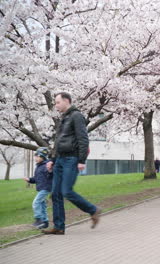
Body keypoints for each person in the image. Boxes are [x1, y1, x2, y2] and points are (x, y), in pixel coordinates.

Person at [42, 92, 101, 235]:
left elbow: (83, 139)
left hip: (71, 159)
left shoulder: (76, 116)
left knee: (66, 191)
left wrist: (81, 160)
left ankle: (93, 210)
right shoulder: (64, 118)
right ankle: (59, 226)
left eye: (57, 102)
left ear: (66, 101)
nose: (56, 106)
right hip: (60, 160)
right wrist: (52, 160)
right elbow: (59, 141)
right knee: (55, 194)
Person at [23, 147, 53, 229]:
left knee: (36, 203)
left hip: (46, 188)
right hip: (42, 188)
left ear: (42, 157)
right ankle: (45, 222)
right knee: (42, 205)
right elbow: (37, 178)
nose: (35, 158)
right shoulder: (38, 167)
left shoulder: (46, 165)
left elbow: (50, 174)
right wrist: (29, 179)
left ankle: (38, 219)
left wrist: (50, 170)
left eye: (37, 157)